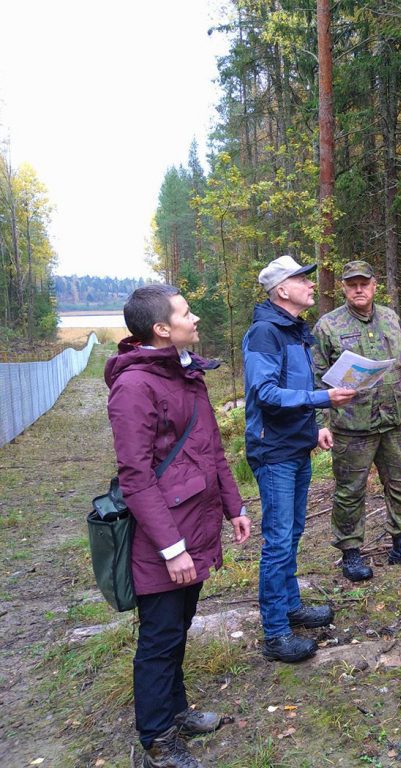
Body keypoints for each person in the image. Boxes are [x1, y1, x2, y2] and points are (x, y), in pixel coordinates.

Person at [106, 284, 251, 768]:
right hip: (164, 536)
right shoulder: (134, 387)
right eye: (187, 313)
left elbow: (210, 450)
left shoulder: (186, 373)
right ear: (161, 329)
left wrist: (235, 507)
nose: (196, 320)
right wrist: (171, 548)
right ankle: (157, 739)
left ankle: (176, 710)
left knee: (178, 625)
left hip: (197, 522)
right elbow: (136, 477)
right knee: (160, 635)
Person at [242, 255, 356, 663]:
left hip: (295, 445)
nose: (310, 285)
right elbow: (266, 394)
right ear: (281, 291)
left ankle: (290, 607)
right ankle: (275, 633)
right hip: (273, 452)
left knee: (291, 534)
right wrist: (323, 398)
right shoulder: (265, 334)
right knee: (277, 541)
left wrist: (315, 426)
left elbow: (295, 389)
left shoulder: (294, 331)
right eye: (301, 280)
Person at [312, 260, 401, 582]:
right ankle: (351, 554)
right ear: (343, 287)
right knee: (350, 491)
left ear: (374, 285)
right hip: (351, 425)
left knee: (400, 484)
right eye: (351, 284)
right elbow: (314, 379)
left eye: (363, 283)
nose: (358, 289)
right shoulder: (328, 326)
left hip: (392, 420)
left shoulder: (391, 319)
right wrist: (319, 423)